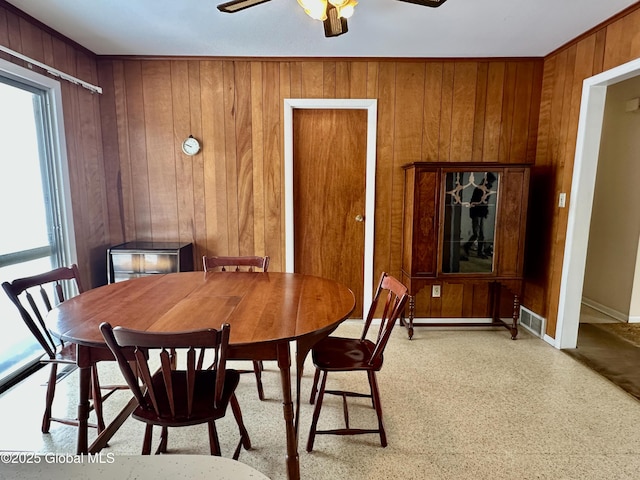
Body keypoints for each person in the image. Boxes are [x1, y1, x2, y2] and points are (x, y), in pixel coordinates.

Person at [463, 173, 496, 259]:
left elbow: (485, 203)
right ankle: (468, 246)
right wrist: (475, 214)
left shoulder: (486, 189)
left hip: (481, 214)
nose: (491, 184)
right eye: (491, 182)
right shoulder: (479, 189)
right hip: (477, 214)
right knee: (476, 234)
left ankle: (478, 252)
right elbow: (474, 202)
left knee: (481, 235)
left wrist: (485, 212)